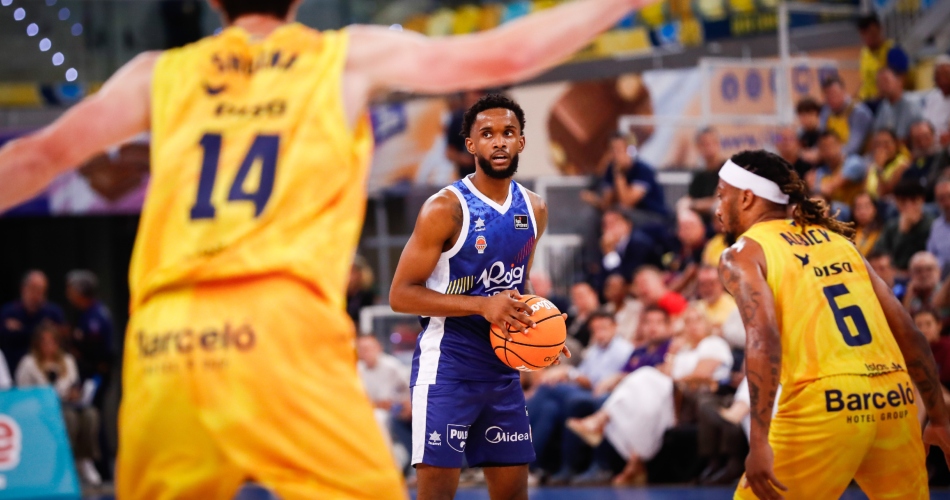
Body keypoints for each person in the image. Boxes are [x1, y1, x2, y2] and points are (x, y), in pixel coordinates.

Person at [0, 0, 653, 496]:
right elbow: (503, 57)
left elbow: (39, 156)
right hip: (278, 320)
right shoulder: (342, 57)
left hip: (165, 337)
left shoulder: (158, 72)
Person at [714, 149, 950, 499]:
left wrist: (759, 439)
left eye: (721, 195)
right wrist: (940, 417)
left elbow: (764, 337)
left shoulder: (742, 253)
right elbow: (908, 331)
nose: (717, 208)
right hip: (894, 399)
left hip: (826, 401)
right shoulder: (841, 243)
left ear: (746, 198)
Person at [389, 94, 571, 500]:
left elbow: (515, 289)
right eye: (487, 134)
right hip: (448, 368)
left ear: (522, 141)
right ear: (470, 145)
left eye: (508, 133)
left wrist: (543, 333)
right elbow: (400, 295)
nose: (499, 142)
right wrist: (480, 305)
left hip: (502, 368)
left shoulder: (534, 209)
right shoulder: (444, 208)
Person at [565, 306, 733, 485]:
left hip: (692, 396)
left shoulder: (713, 343)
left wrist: (673, 375)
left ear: (707, 323)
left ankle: (600, 420)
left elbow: (701, 374)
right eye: (688, 322)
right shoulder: (683, 349)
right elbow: (666, 371)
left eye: (697, 320)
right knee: (642, 407)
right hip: (670, 394)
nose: (692, 326)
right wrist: (673, 355)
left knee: (644, 375)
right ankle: (635, 460)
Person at [527, 311, 632, 481]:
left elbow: (596, 384)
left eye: (604, 328)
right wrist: (570, 375)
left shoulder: (623, 349)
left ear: (615, 327)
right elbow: (582, 377)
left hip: (607, 397)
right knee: (550, 408)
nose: (599, 333)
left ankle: (519, 451)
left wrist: (568, 373)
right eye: (595, 329)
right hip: (585, 393)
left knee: (547, 387)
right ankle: (558, 467)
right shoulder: (594, 350)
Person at [16, 322, 101, 485]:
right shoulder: (28, 363)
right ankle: (65, 463)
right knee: (69, 418)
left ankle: (84, 460)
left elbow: (74, 385)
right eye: (45, 342)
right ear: (37, 344)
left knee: (91, 414)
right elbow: (22, 394)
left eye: (53, 341)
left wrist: (75, 394)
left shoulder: (68, 361)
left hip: (68, 404)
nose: (49, 346)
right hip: (41, 410)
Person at [357, 335, 412, 470]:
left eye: (369, 348)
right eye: (362, 349)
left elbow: (411, 389)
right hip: (368, 410)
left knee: (379, 418)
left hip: (397, 408)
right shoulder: (357, 369)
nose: (366, 352)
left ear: (378, 348)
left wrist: (407, 404)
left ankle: (387, 466)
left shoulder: (392, 366)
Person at [581, 134, 668, 220]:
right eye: (612, 150)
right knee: (597, 217)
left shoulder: (643, 170)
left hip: (652, 216)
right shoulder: (611, 170)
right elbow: (607, 205)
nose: (615, 154)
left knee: (620, 218)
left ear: (628, 150)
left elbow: (626, 203)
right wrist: (596, 201)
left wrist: (619, 173)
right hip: (628, 215)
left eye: (619, 150)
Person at [64, 270, 115, 409]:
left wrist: (76, 345)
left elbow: (101, 350)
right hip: (86, 372)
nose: (68, 293)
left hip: (96, 374)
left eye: (70, 288)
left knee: (93, 412)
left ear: (80, 290)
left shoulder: (96, 315)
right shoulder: (82, 313)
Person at [0, 270, 65, 373]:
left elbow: (60, 340)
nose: (37, 295)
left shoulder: (53, 312)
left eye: (42, 290)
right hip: (12, 368)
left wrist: (22, 330)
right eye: (34, 289)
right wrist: (40, 329)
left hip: (45, 371)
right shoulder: (8, 311)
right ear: (23, 288)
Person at [873, 180, 934, 272]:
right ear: (896, 202)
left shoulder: (931, 225)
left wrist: (905, 233)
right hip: (894, 275)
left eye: (913, 200)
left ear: (922, 200)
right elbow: (880, 254)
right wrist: (902, 233)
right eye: (903, 201)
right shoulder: (891, 226)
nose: (909, 205)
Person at [819, 76, 874, 157]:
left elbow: (854, 147)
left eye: (834, 93)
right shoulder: (826, 110)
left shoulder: (859, 113)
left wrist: (831, 154)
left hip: (858, 158)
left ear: (843, 91)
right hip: (832, 156)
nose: (831, 98)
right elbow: (821, 136)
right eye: (827, 95)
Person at [814, 130, 868, 207]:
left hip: (855, 211)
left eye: (831, 145)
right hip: (831, 213)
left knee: (835, 207)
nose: (828, 150)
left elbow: (830, 188)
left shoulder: (854, 162)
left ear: (840, 144)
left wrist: (815, 186)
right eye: (824, 147)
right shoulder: (821, 171)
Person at [682, 128, 728, 218]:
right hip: (700, 222)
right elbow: (687, 199)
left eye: (713, 142)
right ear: (698, 147)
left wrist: (693, 205)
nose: (709, 147)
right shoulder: (699, 176)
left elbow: (717, 202)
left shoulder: (727, 170)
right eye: (705, 144)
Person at [856, 14, 900, 105]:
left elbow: (899, 84)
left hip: (883, 103)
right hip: (866, 101)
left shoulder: (892, 51)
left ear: (880, 29)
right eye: (864, 34)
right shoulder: (864, 53)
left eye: (871, 33)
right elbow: (865, 81)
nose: (868, 38)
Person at [872, 67, 922, 143]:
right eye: (879, 82)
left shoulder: (910, 104)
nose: (882, 85)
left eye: (886, 80)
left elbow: (902, 139)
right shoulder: (884, 105)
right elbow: (876, 135)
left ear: (899, 81)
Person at [904, 120, 950, 202]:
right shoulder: (911, 167)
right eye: (917, 140)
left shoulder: (944, 157)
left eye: (926, 137)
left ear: (933, 136)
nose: (923, 143)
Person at [866, 128, 912, 199]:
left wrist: (879, 168)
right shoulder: (872, 165)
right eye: (878, 144)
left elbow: (883, 194)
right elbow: (865, 192)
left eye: (886, 143)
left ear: (896, 144)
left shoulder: (903, 165)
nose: (882, 148)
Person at [694, 265, 737, 330]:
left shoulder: (734, 307)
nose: (707, 288)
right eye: (703, 284)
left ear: (721, 283)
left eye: (711, 284)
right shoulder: (695, 308)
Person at [602, 274, 640, 342]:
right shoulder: (604, 310)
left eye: (617, 287)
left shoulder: (636, 307)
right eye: (611, 288)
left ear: (625, 288)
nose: (614, 292)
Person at [922, 55, 950, 145]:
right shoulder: (932, 97)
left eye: (946, 75)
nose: (942, 79)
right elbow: (926, 123)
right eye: (938, 76)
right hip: (932, 141)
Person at [929, 177, 950, 278]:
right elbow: (930, 257)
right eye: (941, 198)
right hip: (940, 279)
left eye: (949, 196)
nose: (947, 203)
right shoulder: (936, 227)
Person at [850, 192, 883, 256]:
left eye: (866, 206)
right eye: (858, 208)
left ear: (875, 209)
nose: (862, 212)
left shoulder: (883, 232)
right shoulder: (848, 233)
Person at [796, 97, 823, 163]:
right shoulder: (799, 136)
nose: (806, 118)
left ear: (817, 114)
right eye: (802, 115)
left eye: (810, 114)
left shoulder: (825, 134)